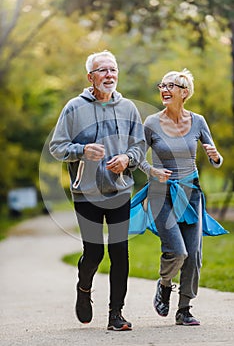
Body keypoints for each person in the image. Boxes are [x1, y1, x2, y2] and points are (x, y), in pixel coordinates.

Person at [49, 50, 145, 331]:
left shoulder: (128, 107)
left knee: (120, 252)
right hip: (86, 193)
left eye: (113, 69)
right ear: (90, 77)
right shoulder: (73, 108)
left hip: (119, 190)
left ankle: (116, 314)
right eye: (102, 70)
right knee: (94, 253)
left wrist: (128, 159)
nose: (109, 75)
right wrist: (81, 150)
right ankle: (83, 289)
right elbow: (57, 147)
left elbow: (139, 146)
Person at [139, 68, 223, 326]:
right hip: (161, 194)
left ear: (184, 92)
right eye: (161, 85)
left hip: (191, 193)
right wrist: (151, 170)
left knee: (194, 254)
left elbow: (216, 159)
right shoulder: (152, 123)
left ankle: (184, 309)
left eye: (170, 86)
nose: (164, 90)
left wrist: (216, 156)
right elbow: (136, 157)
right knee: (177, 251)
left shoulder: (197, 121)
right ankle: (165, 284)